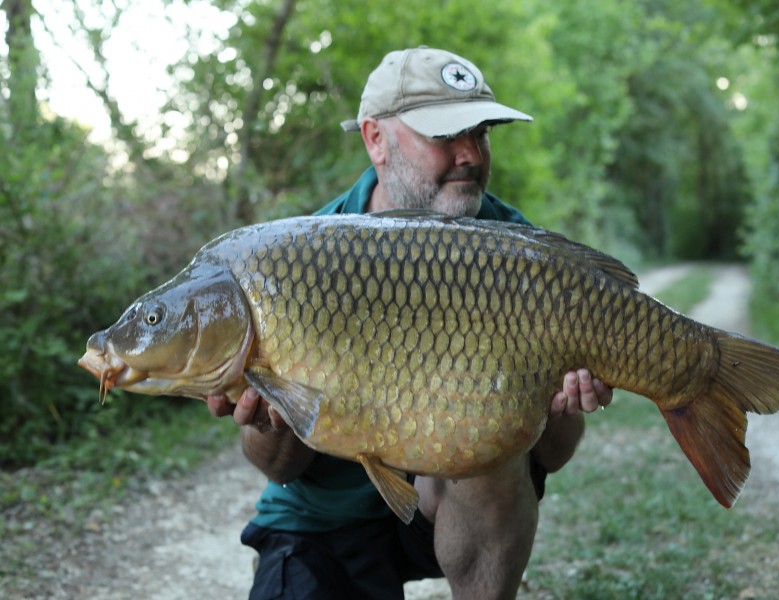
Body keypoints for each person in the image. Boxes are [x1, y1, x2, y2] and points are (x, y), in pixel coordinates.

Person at [207, 46, 613, 600]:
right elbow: (279, 468)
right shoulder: (297, 258)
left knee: (492, 459)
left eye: (482, 132)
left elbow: (553, 456)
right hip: (325, 521)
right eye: (446, 135)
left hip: (456, 508)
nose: (471, 154)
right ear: (375, 138)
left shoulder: (518, 252)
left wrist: (560, 402)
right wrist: (268, 415)